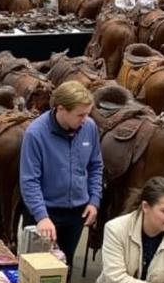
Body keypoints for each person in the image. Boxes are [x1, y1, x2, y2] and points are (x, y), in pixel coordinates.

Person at [19, 80, 103, 268]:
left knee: (65, 267)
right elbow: (29, 180)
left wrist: (94, 201)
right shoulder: (35, 134)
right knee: (37, 271)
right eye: (80, 115)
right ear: (61, 109)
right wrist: (42, 216)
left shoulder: (89, 127)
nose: (85, 120)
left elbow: (96, 166)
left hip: (77, 213)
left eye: (87, 114)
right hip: (45, 212)